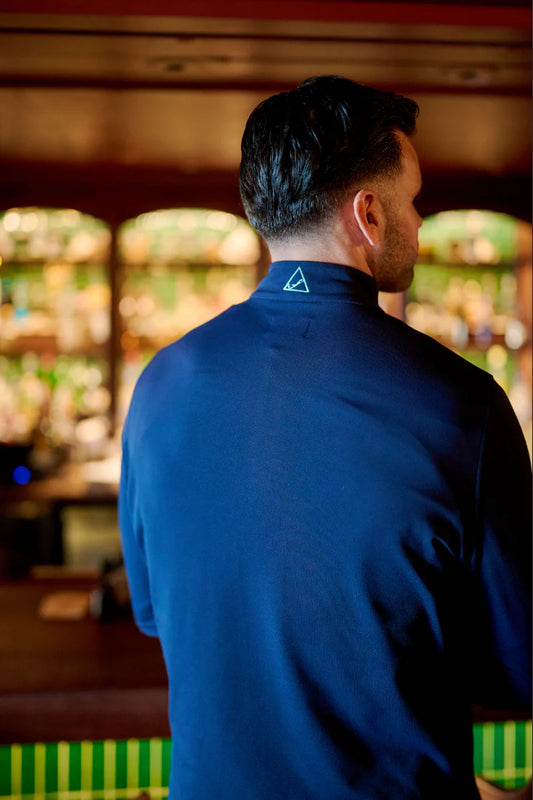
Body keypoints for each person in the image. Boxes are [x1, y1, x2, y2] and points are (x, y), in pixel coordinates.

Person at [119, 76, 531, 799]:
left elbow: (156, 613)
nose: (419, 222)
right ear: (368, 214)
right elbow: (516, 670)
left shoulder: (160, 385)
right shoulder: (461, 405)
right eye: (413, 200)